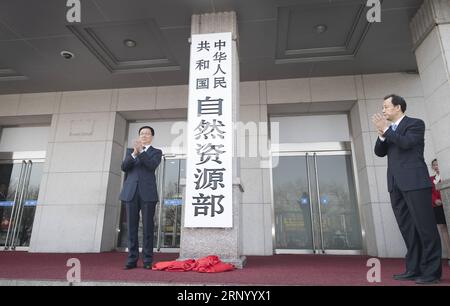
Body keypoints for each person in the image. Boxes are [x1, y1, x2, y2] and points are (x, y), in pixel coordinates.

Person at [372, 94, 442, 284]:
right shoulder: (389, 131)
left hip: (415, 183)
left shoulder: (415, 124)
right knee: (408, 229)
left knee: (425, 228)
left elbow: (406, 143)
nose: (383, 110)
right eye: (383, 106)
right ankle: (414, 268)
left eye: (386, 106)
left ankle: (432, 272)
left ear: (398, 108)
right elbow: (379, 152)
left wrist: (386, 130)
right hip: (395, 185)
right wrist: (381, 134)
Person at [119, 126, 162, 270]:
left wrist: (141, 152)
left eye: (147, 133)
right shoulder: (131, 152)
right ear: (139, 136)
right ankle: (131, 259)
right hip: (131, 192)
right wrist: (134, 154)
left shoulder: (156, 152)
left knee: (148, 228)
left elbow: (151, 165)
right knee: (131, 227)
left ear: (152, 136)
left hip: (148, 193)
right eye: (141, 133)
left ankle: (147, 260)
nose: (144, 135)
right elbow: (124, 167)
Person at [430, 159, 450, 266]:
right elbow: (430, 192)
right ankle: (449, 255)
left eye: (438, 164)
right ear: (432, 167)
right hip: (438, 206)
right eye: (434, 165)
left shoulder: (446, 175)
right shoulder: (431, 179)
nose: (436, 166)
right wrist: (435, 200)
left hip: (448, 203)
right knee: (443, 229)